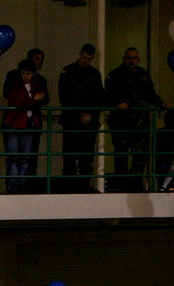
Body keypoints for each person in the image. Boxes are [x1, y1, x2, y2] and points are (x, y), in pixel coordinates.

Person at [106, 48, 166, 192]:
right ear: (124, 58)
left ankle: (134, 185)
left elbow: (151, 94)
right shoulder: (115, 75)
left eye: (134, 58)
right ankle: (122, 185)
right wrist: (117, 103)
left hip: (140, 123)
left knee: (140, 156)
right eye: (129, 58)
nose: (131, 61)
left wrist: (160, 103)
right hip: (121, 123)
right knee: (121, 156)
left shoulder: (143, 75)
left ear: (138, 59)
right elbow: (108, 94)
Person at [58, 44, 105, 193]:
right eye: (84, 57)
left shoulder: (94, 74)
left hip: (88, 122)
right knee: (70, 156)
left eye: (89, 59)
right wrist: (81, 114)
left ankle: (83, 186)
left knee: (86, 158)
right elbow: (64, 96)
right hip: (72, 120)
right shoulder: (68, 71)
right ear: (80, 54)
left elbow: (99, 97)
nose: (86, 61)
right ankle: (70, 187)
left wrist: (91, 115)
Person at [3, 58, 47, 194]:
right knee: (13, 157)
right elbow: (17, 101)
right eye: (23, 73)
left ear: (33, 74)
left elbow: (44, 97)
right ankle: (12, 187)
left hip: (29, 124)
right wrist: (34, 100)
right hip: (15, 123)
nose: (25, 76)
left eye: (28, 74)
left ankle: (22, 186)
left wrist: (34, 101)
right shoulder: (15, 84)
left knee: (25, 158)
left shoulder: (37, 84)